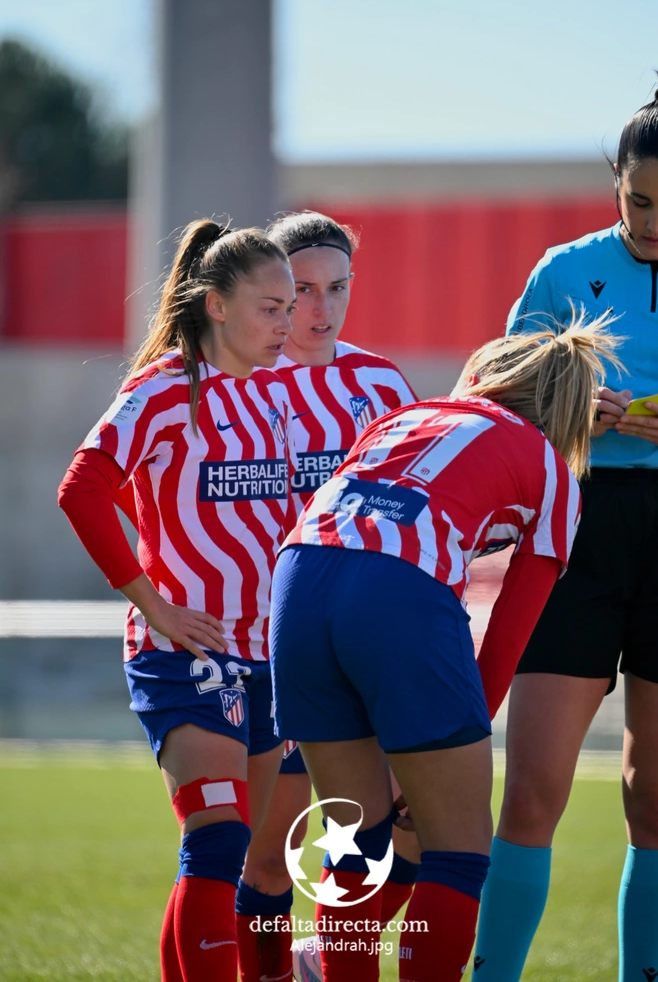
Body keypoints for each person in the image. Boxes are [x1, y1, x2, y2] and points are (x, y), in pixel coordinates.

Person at [268, 312, 621, 981]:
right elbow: (510, 634)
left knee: (354, 842)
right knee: (457, 851)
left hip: (297, 578)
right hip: (394, 589)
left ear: (484, 379)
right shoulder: (551, 469)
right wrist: (450, 740)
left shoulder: (407, 414)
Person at [473, 71, 658, 982]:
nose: (655, 223)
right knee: (530, 795)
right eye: (638, 201)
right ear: (615, 185)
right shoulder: (561, 271)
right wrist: (565, 407)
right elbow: (492, 399)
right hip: (575, 530)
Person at [57, 220, 297, 982]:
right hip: (184, 653)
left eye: (289, 307)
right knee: (218, 837)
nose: (286, 323)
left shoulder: (273, 393)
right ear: (218, 306)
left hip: (270, 658)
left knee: (250, 857)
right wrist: (152, 603)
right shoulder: (164, 388)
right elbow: (83, 489)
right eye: (270, 307)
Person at [234, 211, 419, 982]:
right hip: (269, 642)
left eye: (335, 288)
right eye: (302, 289)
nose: (320, 308)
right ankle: (274, 971)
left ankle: (326, 956)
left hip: (367, 641)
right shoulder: (238, 382)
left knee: (400, 833)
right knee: (273, 852)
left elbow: (415, 503)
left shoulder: (381, 384)